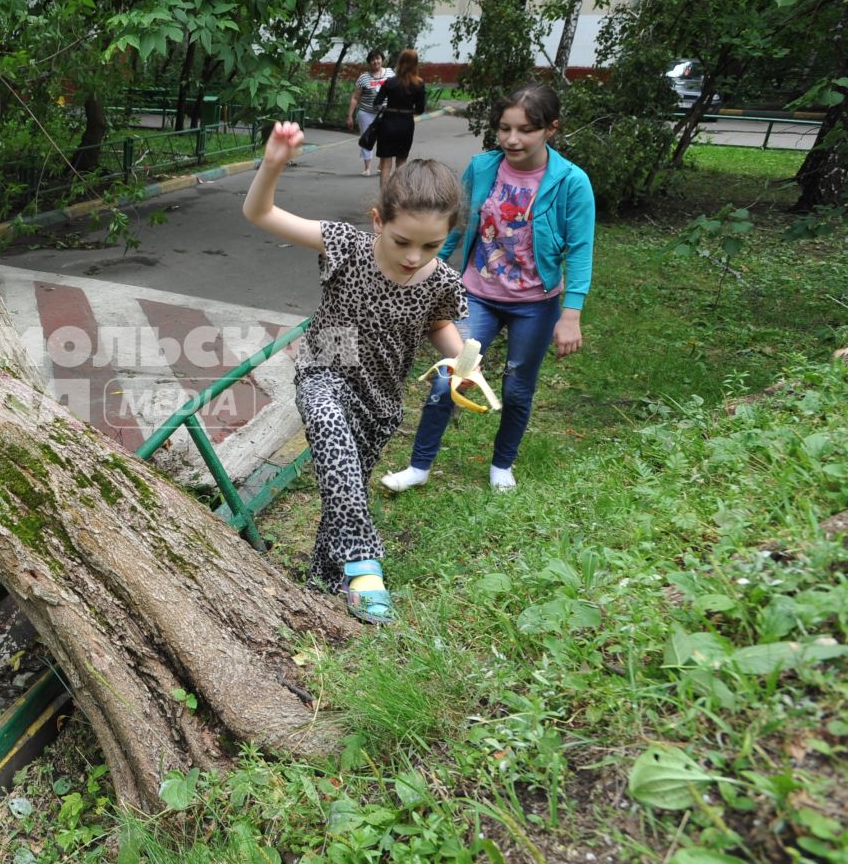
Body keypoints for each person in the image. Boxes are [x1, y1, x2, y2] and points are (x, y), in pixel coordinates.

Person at [243, 121, 467, 625]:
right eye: (403, 240)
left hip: (381, 399)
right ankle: (366, 568)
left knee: (343, 489)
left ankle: (320, 586)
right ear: (377, 220)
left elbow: (440, 326)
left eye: (430, 247)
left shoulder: (442, 281)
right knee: (329, 436)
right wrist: (274, 163)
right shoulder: (345, 244)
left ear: (448, 236)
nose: (414, 257)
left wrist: (460, 363)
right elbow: (259, 212)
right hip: (327, 364)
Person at [382, 83, 595, 495]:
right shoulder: (482, 169)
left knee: (517, 387)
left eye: (526, 130)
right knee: (451, 378)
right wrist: (424, 272)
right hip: (476, 295)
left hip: (536, 304)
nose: (512, 139)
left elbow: (581, 249)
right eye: (504, 128)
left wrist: (571, 314)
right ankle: (419, 467)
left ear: (551, 129)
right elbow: (453, 229)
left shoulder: (571, 182)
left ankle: (502, 466)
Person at [370, 48, 428, 188]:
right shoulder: (419, 84)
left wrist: (387, 108)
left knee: (385, 163)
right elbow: (420, 110)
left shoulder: (390, 82)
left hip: (388, 123)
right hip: (406, 124)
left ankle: (384, 198)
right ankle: (397, 197)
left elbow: (377, 103)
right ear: (415, 64)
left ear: (400, 62)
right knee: (401, 162)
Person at [345, 51, 388, 177]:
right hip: (366, 113)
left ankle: (381, 166)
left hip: (385, 113)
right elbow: (355, 97)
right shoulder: (363, 78)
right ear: (369, 62)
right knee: (367, 139)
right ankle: (367, 167)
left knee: (384, 139)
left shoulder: (390, 74)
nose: (376, 62)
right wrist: (349, 116)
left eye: (378, 58)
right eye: (373, 60)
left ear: (382, 60)